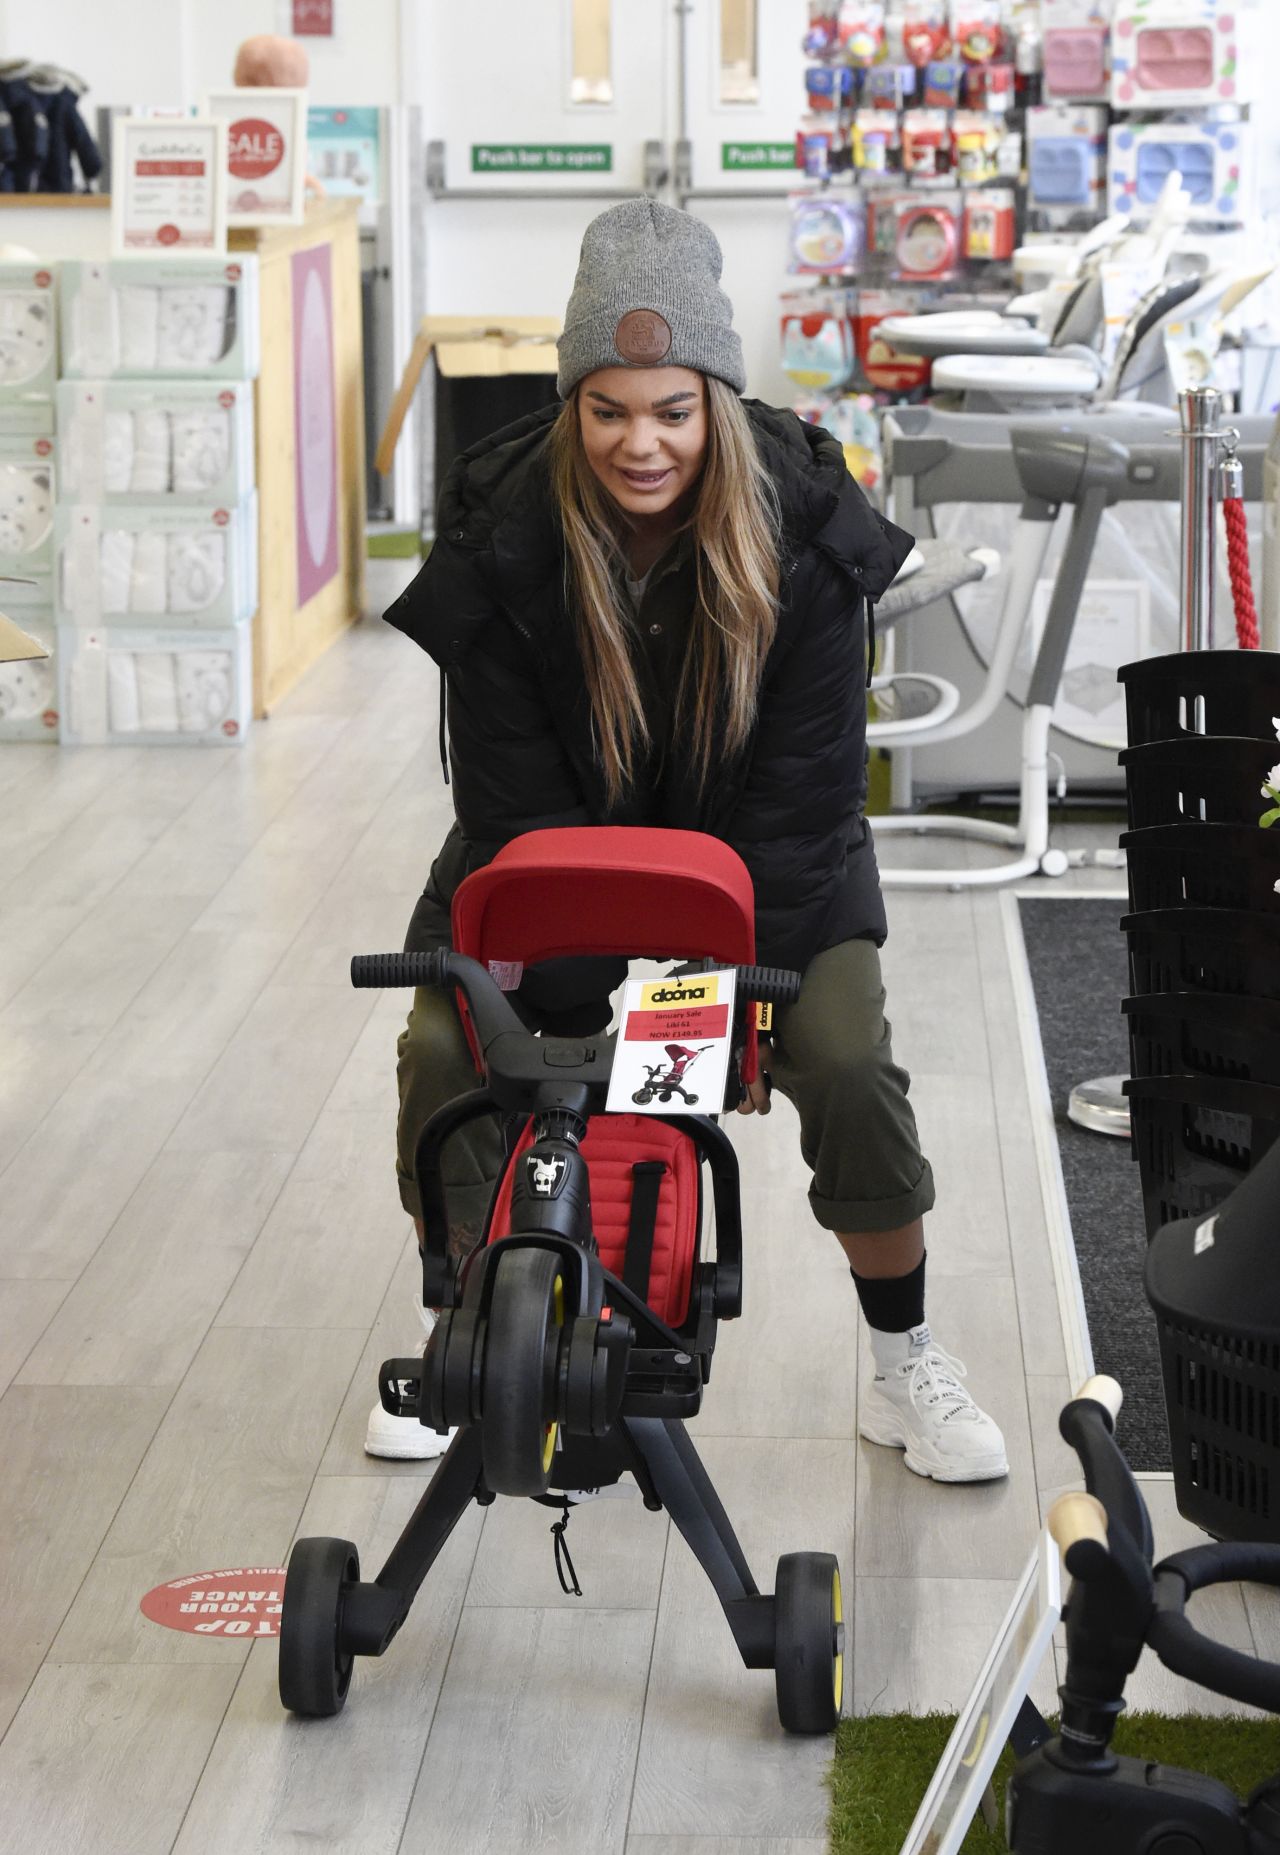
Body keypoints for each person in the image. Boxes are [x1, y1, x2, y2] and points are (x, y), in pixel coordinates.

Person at [373, 200, 1008, 1485]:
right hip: (541, 874)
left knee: (839, 1060)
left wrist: (720, 1002)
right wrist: (567, 1015)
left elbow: (802, 794)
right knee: (450, 1047)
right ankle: (472, 1334)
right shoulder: (504, 524)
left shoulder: (808, 525)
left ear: (716, 393)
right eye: (606, 408)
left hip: (766, 880)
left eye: (670, 408)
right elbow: (508, 802)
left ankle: (905, 1364)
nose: (639, 441)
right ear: (571, 404)